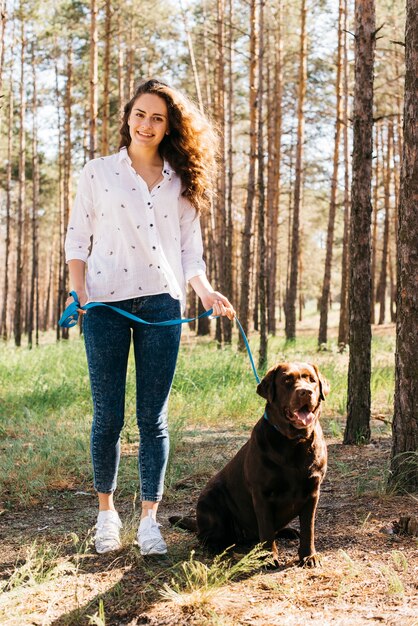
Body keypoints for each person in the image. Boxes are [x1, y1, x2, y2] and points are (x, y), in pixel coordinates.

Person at [64, 79, 235, 556]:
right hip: (104, 306)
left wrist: (204, 291)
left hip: (161, 302)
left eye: (157, 117)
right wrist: (79, 294)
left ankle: (149, 522)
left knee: (152, 419)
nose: (146, 124)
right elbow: (77, 239)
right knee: (108, 416)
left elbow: (189, 253)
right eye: (140, 114)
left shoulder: (179, 180)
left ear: (167, 127)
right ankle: (105, 515)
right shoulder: (98, 172)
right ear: (128, 117)